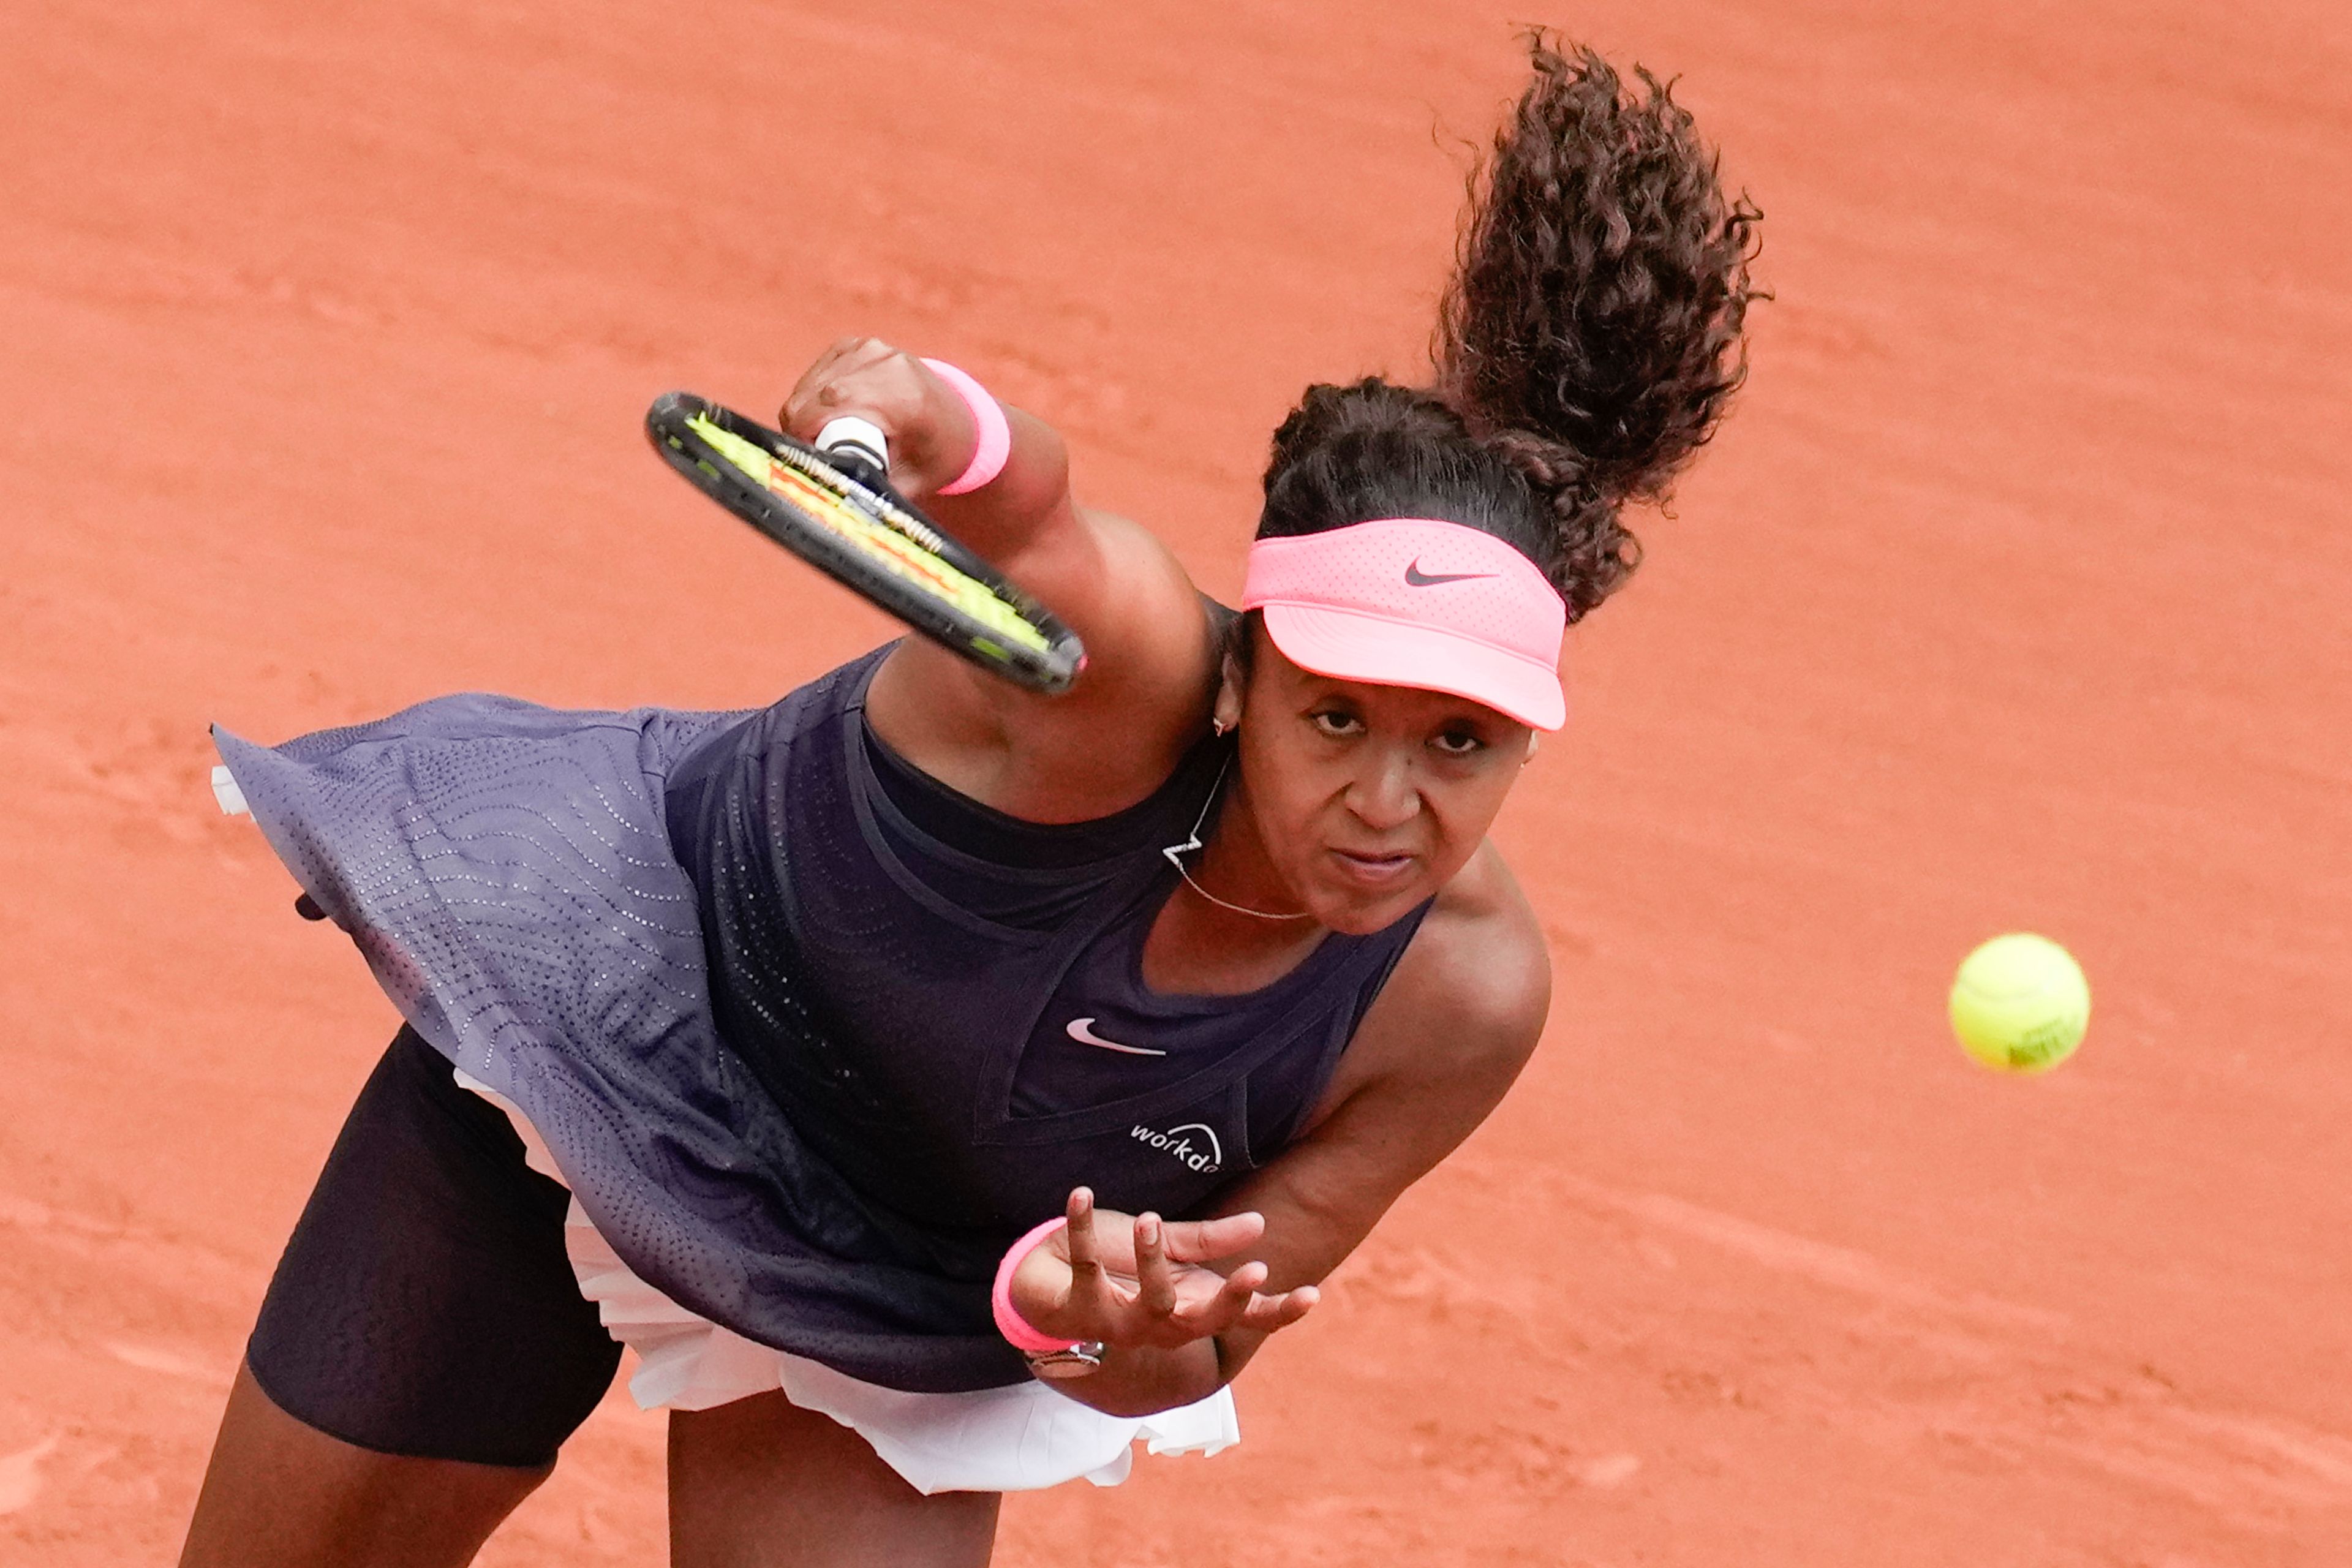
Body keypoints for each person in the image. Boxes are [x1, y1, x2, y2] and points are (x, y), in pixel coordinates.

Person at [178, 35, 1757, 1568]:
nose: (1386, 802)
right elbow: (1035, 510)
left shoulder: (1461, 1000)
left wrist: (1097, 1324)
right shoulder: (1124, 673)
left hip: (890, 1267)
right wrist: (935, 415)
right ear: (1242, 677)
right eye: (1333, 716)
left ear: (1531, 743)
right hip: (612, 1024)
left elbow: (1198, 1350)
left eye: (1461, 744)